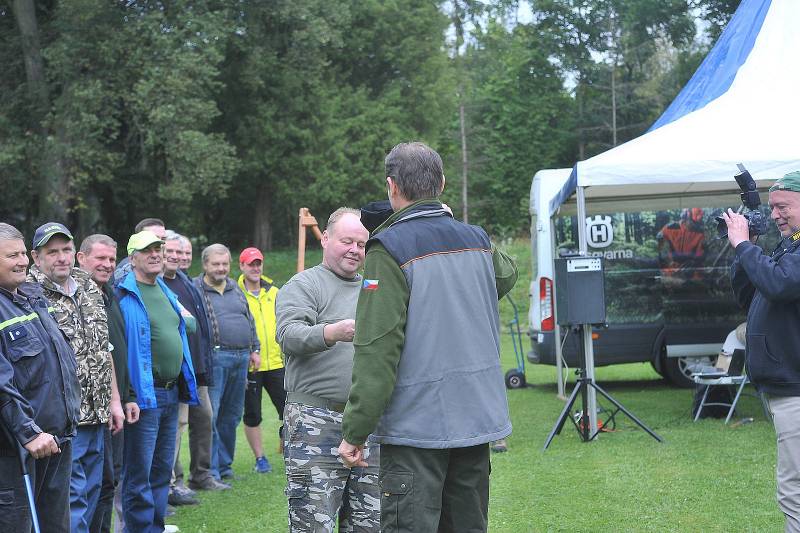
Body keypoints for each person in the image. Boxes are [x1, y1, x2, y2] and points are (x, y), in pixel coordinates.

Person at [338, 142, 518, 533]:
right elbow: (506, 275)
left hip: (417, 426)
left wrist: (355, 430)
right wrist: (452, 222)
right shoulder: (476, 239)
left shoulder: (387, 248)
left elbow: (376, 349)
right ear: (442, 183)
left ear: (391, 187)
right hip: (475, 418)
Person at [276, 208, 380, 532]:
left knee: (370, 524)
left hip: (367, 424)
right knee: (312, 522)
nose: (354, 250)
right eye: (347, 241)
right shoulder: (304, 285)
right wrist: (331, 333)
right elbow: (288, 335)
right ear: (325, 239)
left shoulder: (374, 289)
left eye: (362, 245)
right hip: (314, 423)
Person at [27, 223, 123, 533]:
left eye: (66, 250)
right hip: (61, 420)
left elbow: (102, 347)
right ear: (35, 257)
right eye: (51, 252)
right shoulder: (27, 294)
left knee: (93, 495)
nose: (61, 258)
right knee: (71, 503)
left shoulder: (88, 286)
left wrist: (115, 401)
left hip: (97, 415)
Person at [725, 169, 800, 532]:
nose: (775, 215)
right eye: (772, 208)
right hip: (783, 386)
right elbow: (750, 294)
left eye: (782, 206)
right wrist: (747, 248)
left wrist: (744, 245)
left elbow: (780, 284)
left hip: (797, 389)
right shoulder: (792, 244)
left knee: (794, 487)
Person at [0, 222, 81, 532]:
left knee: (56, 526)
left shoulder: (30, 299)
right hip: (16, 450)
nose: (22, 261)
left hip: (56, 438)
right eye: (11, 256)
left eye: (23, 253)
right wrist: (29, 432)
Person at [116, 230, 199, 532]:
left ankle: (155, 527)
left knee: (162, 471)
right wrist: (127, 395)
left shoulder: (165, 289)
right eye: (147, 250)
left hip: (171, 392)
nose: (155, 254)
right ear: (132, 257)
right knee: (139, 473)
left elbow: (187, 325)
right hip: (144, 396)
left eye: (158, 249)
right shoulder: (123, 295)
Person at [76, 234, 140, 533]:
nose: (107, 264)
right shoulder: (77, 298)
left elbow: (115, 350)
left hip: (111, 404)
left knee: (108, 480)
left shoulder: (109, 294)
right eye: (100, 258)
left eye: (112, 259)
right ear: (81, 258)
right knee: (85, 488)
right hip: (86, 409)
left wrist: (125, 396)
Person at [162, 232, 228, 499]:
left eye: (181, 252)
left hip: (197, 366)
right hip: (176, 369)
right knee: (177, 424)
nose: (177, 257)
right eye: (171, 252)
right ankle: (172, 483)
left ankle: (201, 474)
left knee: (204, 418)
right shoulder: (159, 284)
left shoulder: (184, 281)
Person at [194, 243, 259, 481]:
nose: (221, 269)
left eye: (224, 264)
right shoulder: (196, 289)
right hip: (215, 358)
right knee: (211, 414)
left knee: (231, 415)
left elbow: (249, 319)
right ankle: (209, 470)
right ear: (205, 265)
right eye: (216, 264)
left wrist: (255, 349)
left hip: (241, 357)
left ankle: (224, 466)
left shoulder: (235, 288)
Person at [238, 247, 286, 473]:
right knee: (253, 414)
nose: (255, 268)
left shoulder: (275, 292)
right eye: (251, 264)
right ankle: (260, 459)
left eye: (258, 263)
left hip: (276, 362)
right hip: (251, 365)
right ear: (242, 266)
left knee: (288, 410)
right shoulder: (235, 293)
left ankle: (291, 451)